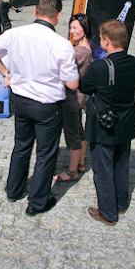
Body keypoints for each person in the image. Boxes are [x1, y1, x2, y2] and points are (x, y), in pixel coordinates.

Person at [0, 0, 79, 216]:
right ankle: (37, 203)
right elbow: (73, 84)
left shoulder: (15, 33)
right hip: (47, 106)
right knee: (45, 154)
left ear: (35, 11)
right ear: (58, 16)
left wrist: (6, 73)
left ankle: (14, 190)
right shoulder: (62, 44)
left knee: (21, 146)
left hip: (22, 102)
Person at [80, 20, 135, 226]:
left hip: (104, 126)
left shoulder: (99, 67)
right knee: (121, 164)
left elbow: (85, 87)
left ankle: (108, 213)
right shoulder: (134, 62)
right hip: (126, 122)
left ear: (106, 41)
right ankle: (121, 203)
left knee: (103, 169)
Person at [54, 13, 93, 182]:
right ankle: (81, 163)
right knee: (78, 129)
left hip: (72, 98)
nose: (71, 31)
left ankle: (72, 171)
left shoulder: (80, 51)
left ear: (84, 30)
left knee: (72, 134)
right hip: (79, 97)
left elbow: (58, 64)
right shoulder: (82, 46)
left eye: (75, 28)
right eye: (70, 27)